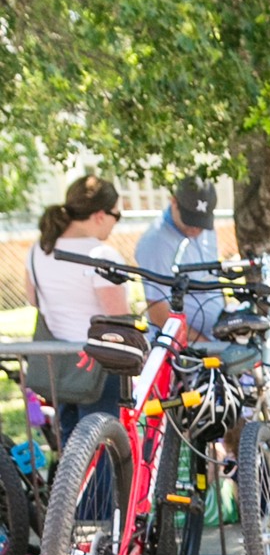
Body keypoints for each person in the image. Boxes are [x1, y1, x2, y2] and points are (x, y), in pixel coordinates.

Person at [22, 175, 134, 437]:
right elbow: (118, 319)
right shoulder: (101, 256)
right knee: (104, 453)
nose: (115, 224)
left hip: (58, 365)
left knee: (72, 451)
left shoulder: (39, 251)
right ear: (98, 215)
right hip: (98, 367)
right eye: (116, 216)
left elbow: (33, 300)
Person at [135, 178, 221, 339]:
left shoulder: (208, 231)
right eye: (190, 221)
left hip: (215, 335)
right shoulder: (156, 243)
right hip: (182, 345)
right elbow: (158, 312)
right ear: (174, 202)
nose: (196, 229)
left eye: (202, 223)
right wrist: (205, 346)